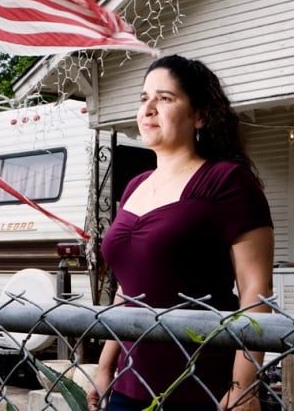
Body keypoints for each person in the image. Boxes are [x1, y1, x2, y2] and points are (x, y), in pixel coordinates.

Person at [87, 55, 274, 410]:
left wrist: (243, 387)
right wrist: (105, 365)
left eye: (165, 98)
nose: (149, 109)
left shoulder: (228, 181)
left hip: (199, 385)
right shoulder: (135, 187)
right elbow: (127, 288)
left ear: (200, 115)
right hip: (127, 386)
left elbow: (256, 291)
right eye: (144, 99)